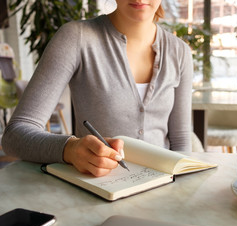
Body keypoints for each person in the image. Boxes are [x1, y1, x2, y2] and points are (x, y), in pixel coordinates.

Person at [1, 0, 193, 177]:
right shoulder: (76, 38)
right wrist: (70, 149)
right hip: (96, 192)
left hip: (162, 190)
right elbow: (15, 135)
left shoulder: (180, 52)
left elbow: (181, 141)